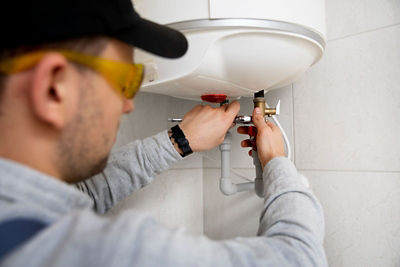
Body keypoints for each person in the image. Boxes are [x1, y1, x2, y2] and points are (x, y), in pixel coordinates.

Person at [0, 0, 327, 266]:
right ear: (54, 88)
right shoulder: (91, 254)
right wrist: (278, 166)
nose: (128, 105)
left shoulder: (20, 218)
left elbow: (83, 196)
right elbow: (298, 259)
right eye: (125, 82)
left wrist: (179, 139)